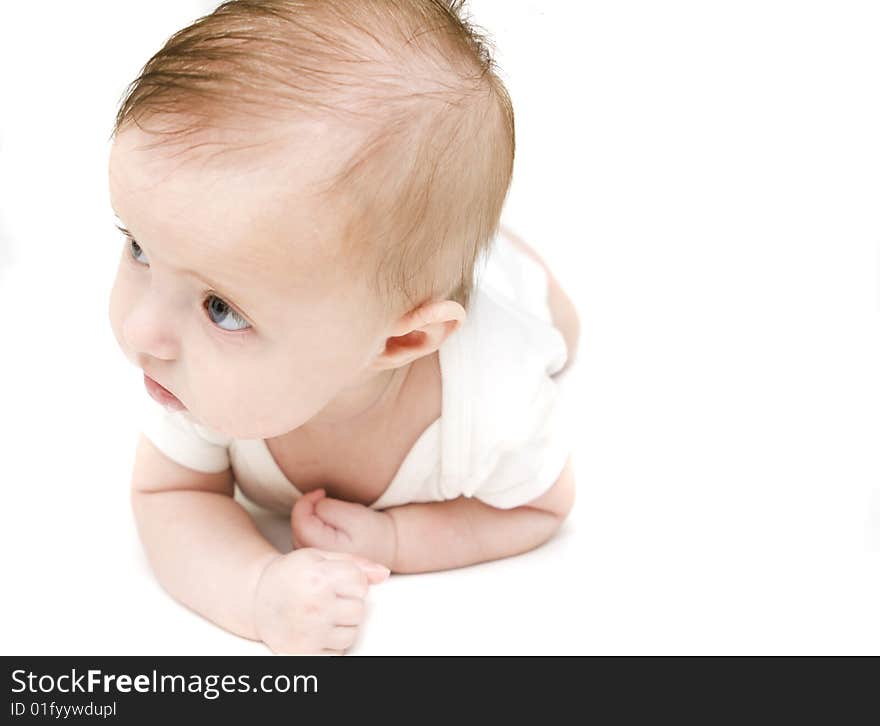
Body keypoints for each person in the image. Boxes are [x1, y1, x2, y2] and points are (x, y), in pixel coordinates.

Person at [108, 0, 581, 655]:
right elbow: (167, 494)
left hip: (506, 296)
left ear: (400, 342)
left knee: (558, 329)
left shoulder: (492, 406)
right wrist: (255, 590)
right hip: (402, 287)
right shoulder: (196, 372)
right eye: (137, 247)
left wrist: (400, 541)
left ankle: (499, 255)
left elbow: (542, 507)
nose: (140, 332)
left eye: (222, 308)